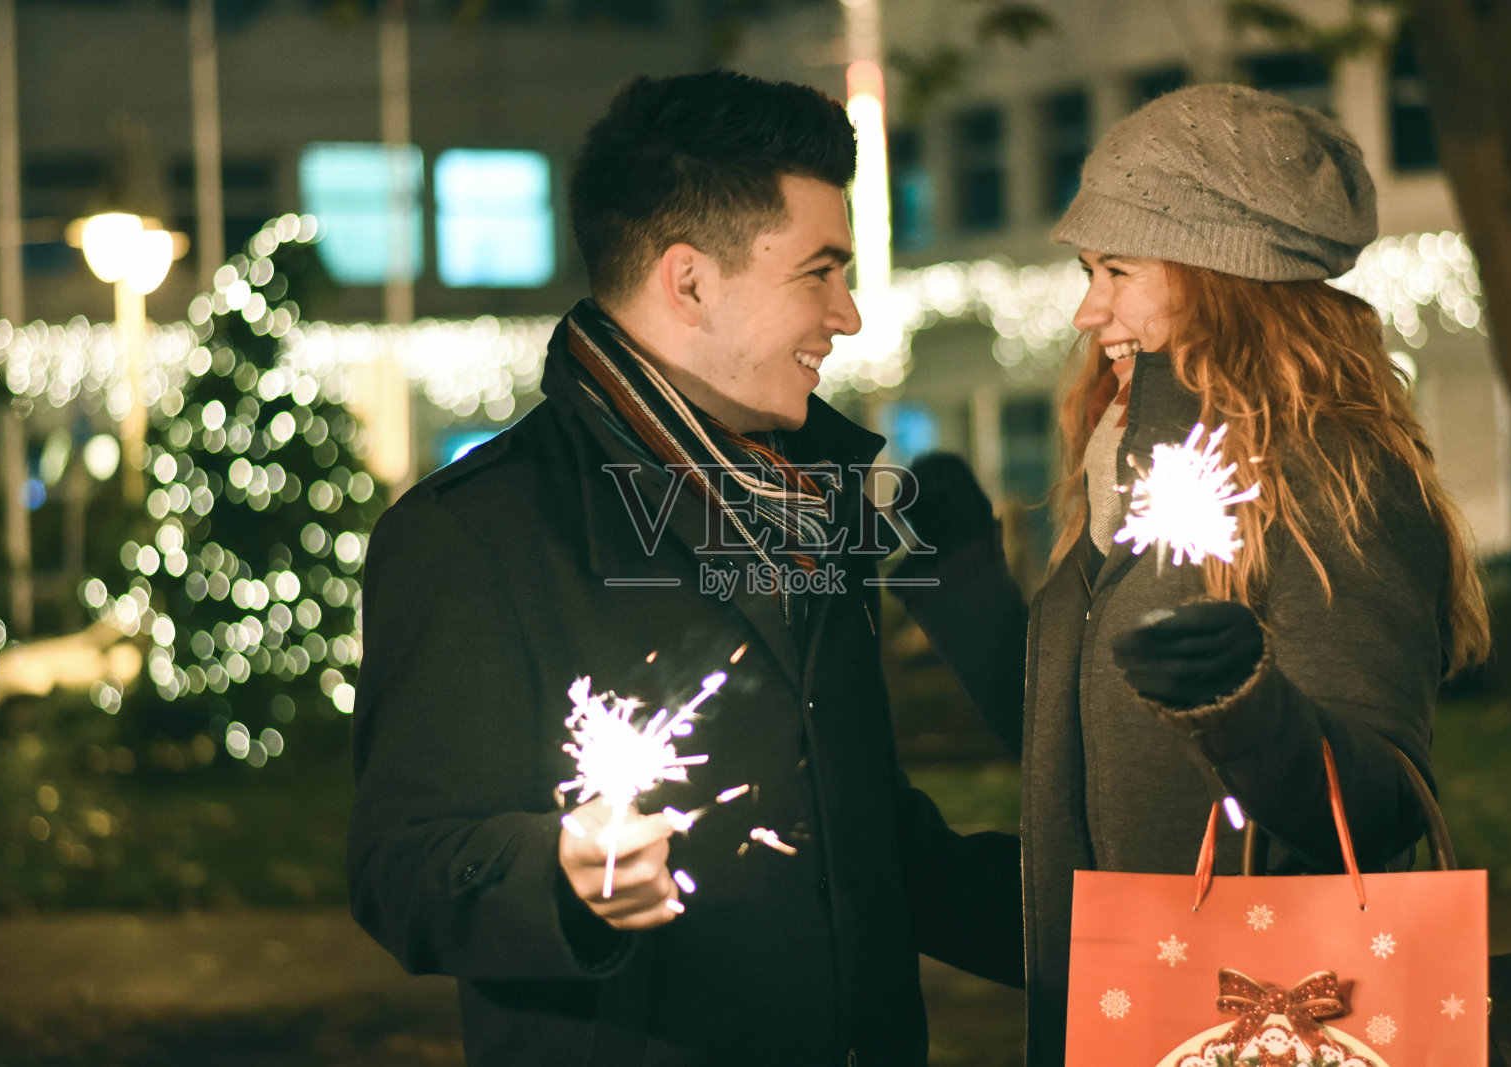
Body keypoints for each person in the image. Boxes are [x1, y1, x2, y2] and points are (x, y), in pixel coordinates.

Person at [346, 70, 1022, 1067]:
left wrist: (1114, 928)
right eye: (819, 272)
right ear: (690, 280)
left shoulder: (814, 499)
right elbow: (402, 869)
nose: (848, 316)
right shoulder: (477, 532)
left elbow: (861, 841)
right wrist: (565, 876)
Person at [894, 83, 1491, 1064]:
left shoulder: (1329, 474)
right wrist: (957, 583)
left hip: (1258, 1020)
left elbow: (1375, 805)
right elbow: (1089, 772)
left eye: (1117, 269)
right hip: (1128, 1016)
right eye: (1090, 269)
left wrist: (1240, 701)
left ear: (1224, 277)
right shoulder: (1126, 467)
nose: (1089, 308)